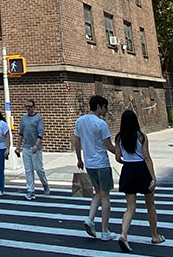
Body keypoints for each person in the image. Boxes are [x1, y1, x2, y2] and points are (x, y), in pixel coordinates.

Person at [114, 110, 165, 253]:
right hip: (142, 169)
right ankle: (155, 236)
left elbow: (118, 158)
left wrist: (125, 160)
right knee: (150, 204)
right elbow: (147, 157)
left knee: (130, 207)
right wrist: (153, 177)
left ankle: (123, 235)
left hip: (128, 170)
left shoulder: (119, 138)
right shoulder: (142, 137)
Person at [74, 95, 119, 242]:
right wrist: (121, 155)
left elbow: (77, 141)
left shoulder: (80, 121)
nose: (106, 110)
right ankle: (105, 230)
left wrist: (79, 159)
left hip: (89, 163)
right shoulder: (101, 124)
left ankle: (90, 219)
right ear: (99, 106)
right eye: (105, 107)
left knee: (97, 193)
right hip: (102, 163)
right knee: (105, 196)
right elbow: (108, 146)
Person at [15, 99, 50, 200]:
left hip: (36, 148)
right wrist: (18, 146)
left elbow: (40, 133)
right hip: (26, 147)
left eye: (30, 106)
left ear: (34, 107)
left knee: (39, 169)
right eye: (26, 106)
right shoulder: (23, 118)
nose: (28, 108)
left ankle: (45, 184)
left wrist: (36, 145)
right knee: (28, 170)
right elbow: (21, 133)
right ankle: (30, 190)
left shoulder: (38, 118)